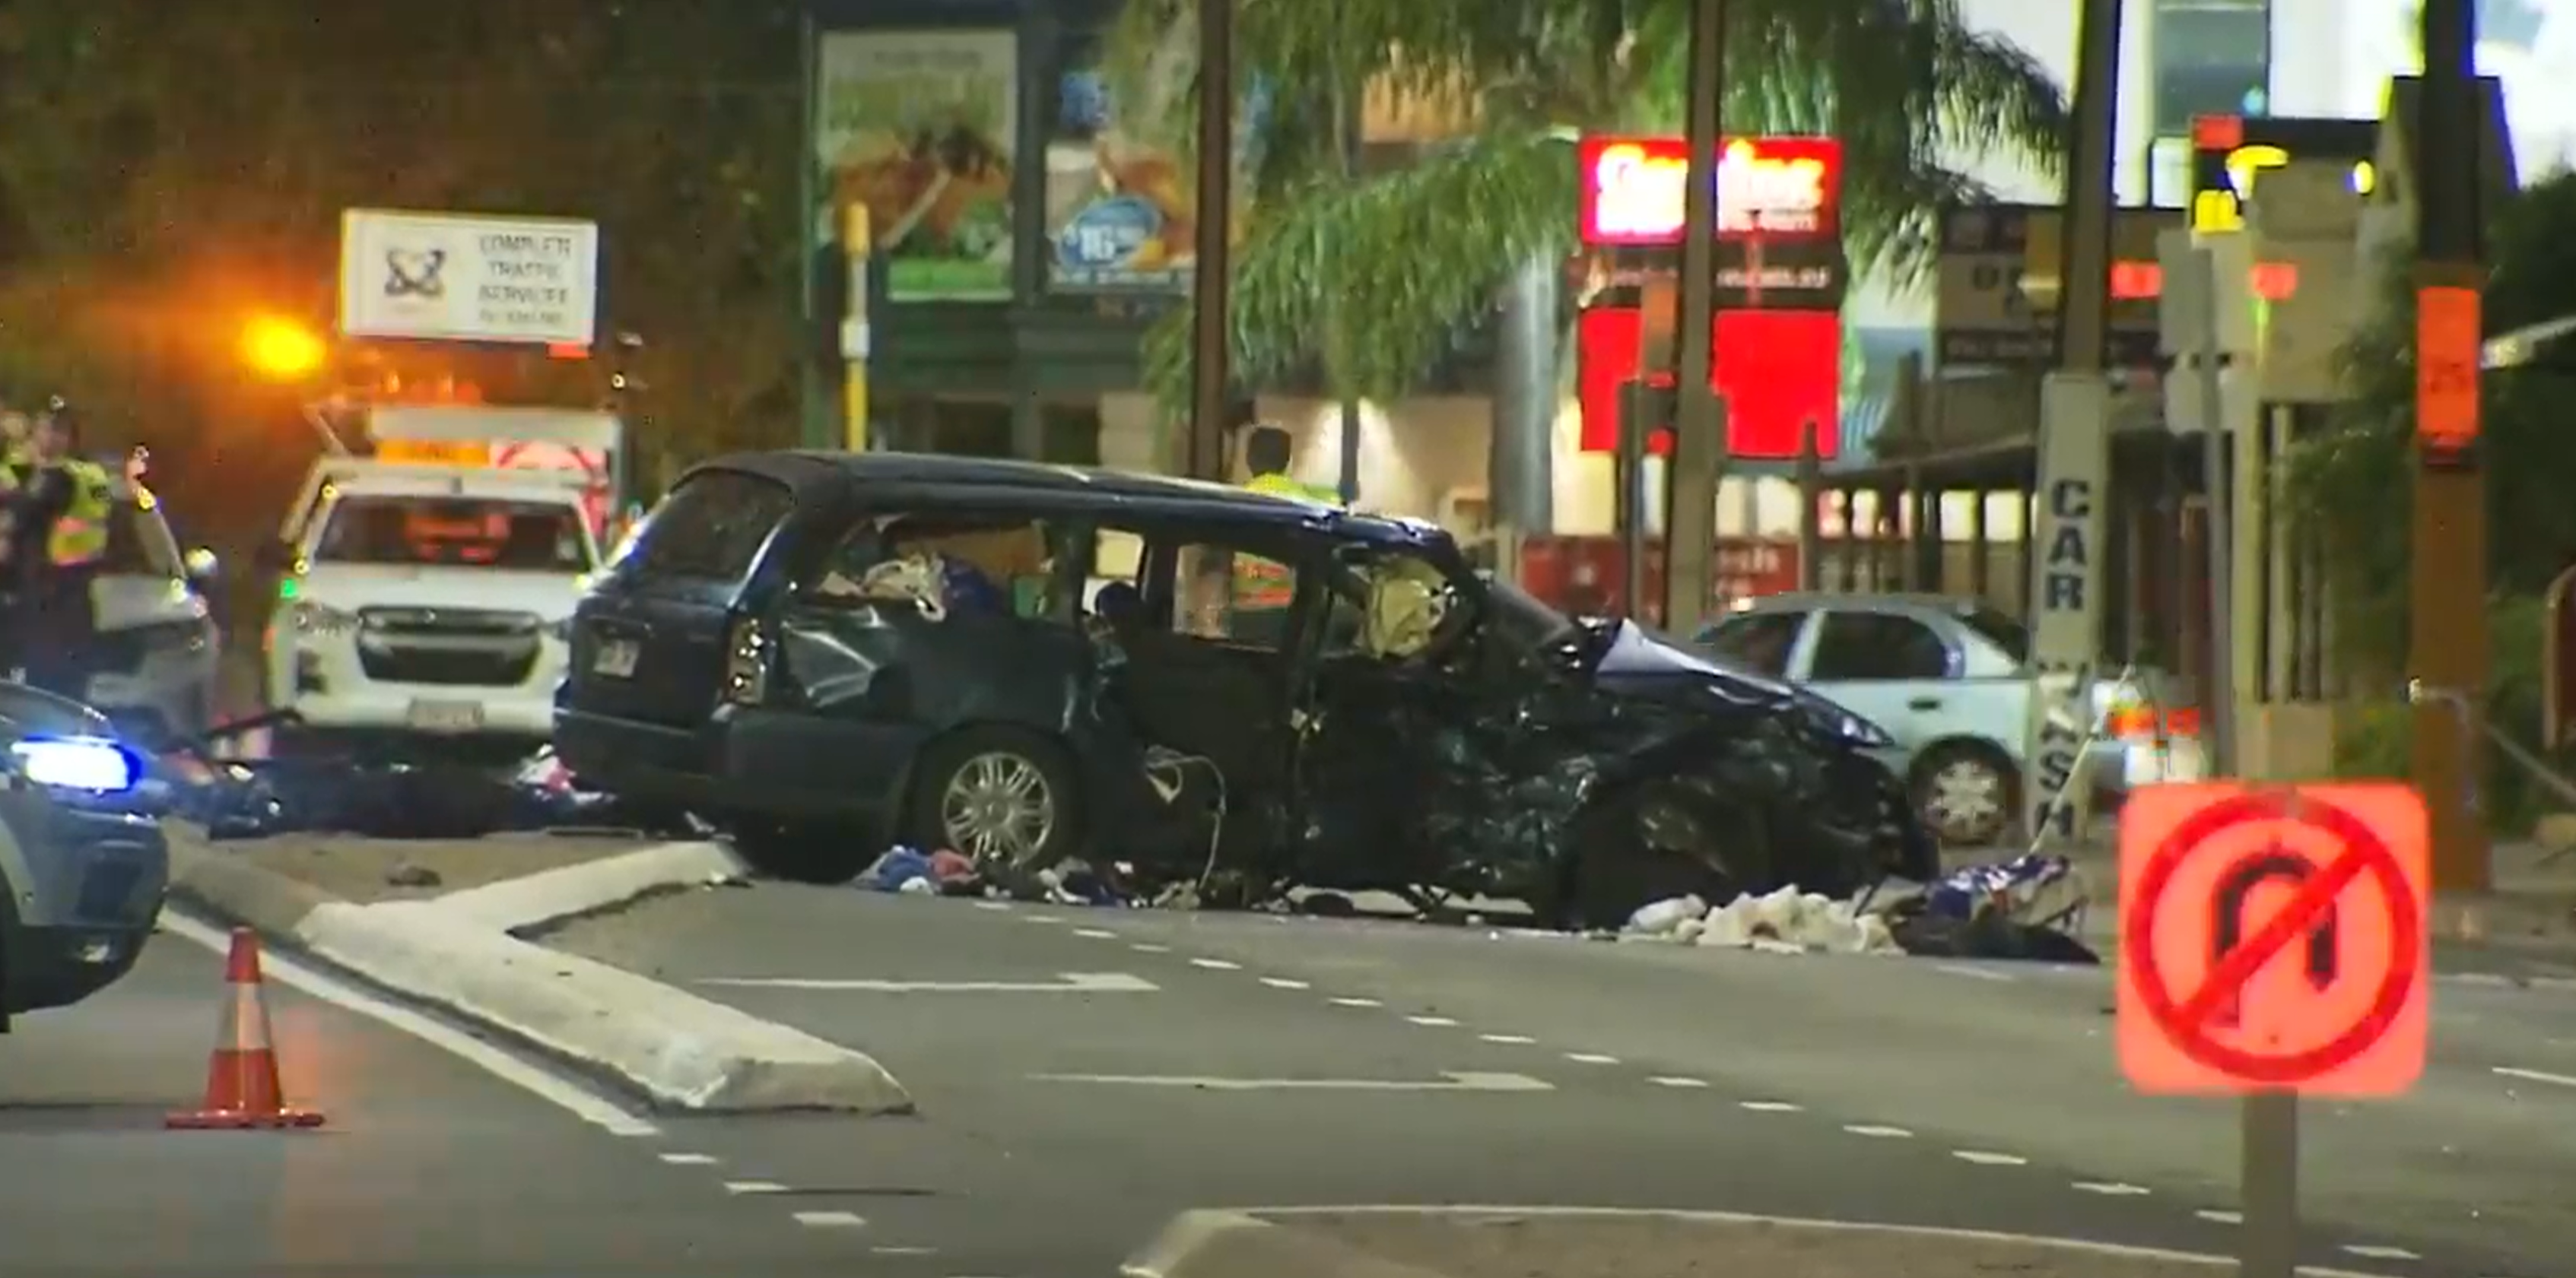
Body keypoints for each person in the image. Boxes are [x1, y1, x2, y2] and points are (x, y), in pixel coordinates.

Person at [4, 398, 116, 699]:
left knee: (46, 698)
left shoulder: (62, 479)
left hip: (53, 608)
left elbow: (25, 511)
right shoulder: (80, 477)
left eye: (56, 430)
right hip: (56, 604)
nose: (49, 436)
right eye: (44, 427)